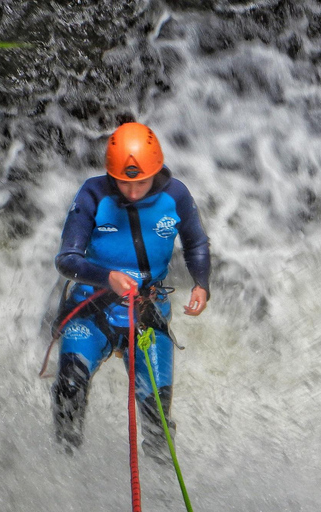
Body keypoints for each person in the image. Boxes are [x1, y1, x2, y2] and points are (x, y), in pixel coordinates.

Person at [51, 122, 211, 463]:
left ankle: (162, 477)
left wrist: (201, 283)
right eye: (125, 183)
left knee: (157, 412)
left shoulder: (175, 196)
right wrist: (106, 277)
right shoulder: (93, 194)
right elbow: (67, 259)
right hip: (92, 309)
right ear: (112, 175)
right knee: (69, 386)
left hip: (146, 314)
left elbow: (196, 242)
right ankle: (64, 464)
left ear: (155, 173)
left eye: (141, 182)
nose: (134, 191)